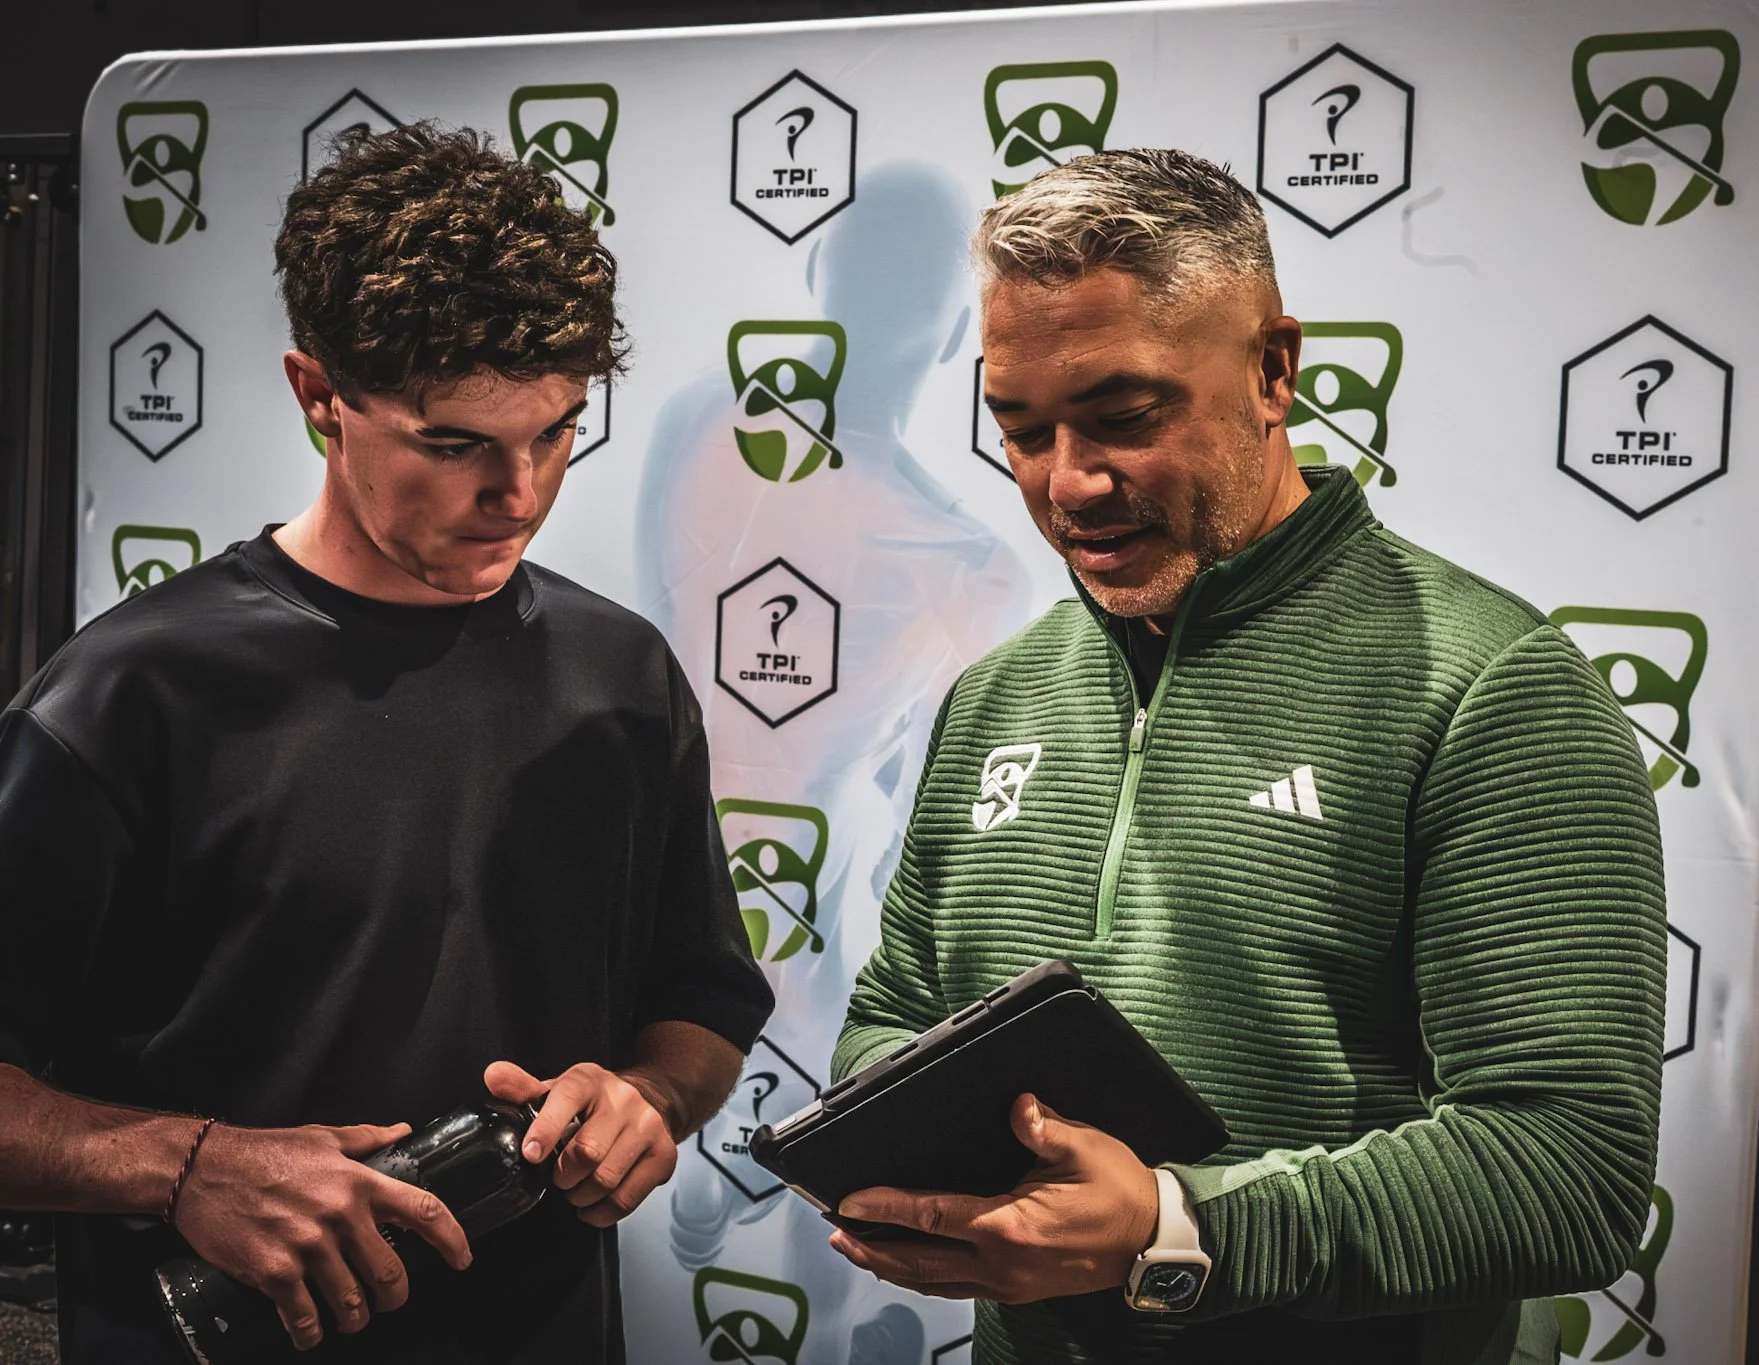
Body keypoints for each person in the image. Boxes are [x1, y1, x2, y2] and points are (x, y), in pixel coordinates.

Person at [826, 148, 1667, 1364]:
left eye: (1124, 418)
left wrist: (1172, 1230)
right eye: (1019, 429)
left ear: (1274, 371)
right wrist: (931, 1142)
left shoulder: (1492, 689)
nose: (1068, 483)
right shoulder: (993, 694)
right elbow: (890, 1020)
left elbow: (1565, 1169)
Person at [0, 124, 773, 1363]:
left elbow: (698, 1006)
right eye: (455, 443)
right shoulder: (134, 692)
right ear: (320, 397)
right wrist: (189, 1166)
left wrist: (645, 1099)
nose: (517, 494)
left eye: (558, 432)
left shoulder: (619, 675)